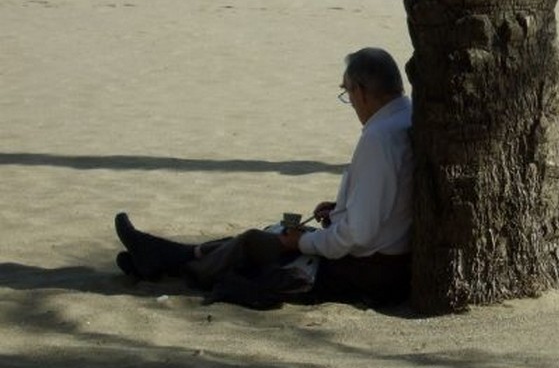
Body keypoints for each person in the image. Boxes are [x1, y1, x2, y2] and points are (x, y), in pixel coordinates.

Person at [114, 47, 414, 307]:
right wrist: (341, 207)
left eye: (346, 92)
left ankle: (175, 262)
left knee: (257, 242)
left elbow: (357, 234)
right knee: (272, 234)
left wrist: (301, 244)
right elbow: (380, 202)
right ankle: (164, 258)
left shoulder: (377, 139)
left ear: (360, 92)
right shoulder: (404, 116)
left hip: (366, 268)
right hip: (380, 256)